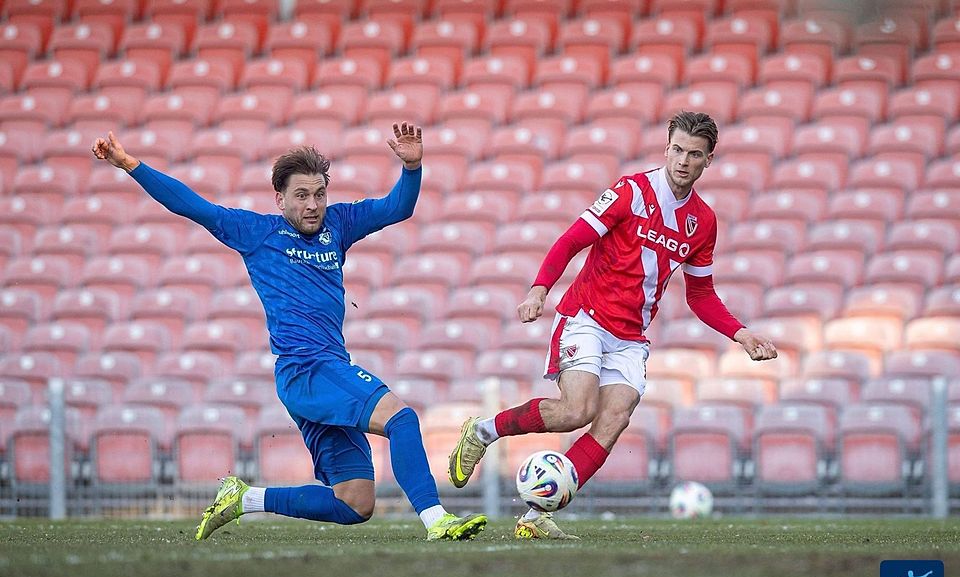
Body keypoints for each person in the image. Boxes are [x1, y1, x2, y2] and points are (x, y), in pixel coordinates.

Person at [92, 122, 487, 542]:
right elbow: (191, 204)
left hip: (325, 373)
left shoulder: (339, 224)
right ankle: (436, 519)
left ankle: (244, 498)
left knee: (355, 503)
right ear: (279, 199)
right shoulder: (257, 233)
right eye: (301, 195)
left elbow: (397, 208)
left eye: (319, 194)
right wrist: (129, 164)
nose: (313, 205)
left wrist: (412, 169)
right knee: (401, 419)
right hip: (307, 371)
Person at [448, 111, 778, 540]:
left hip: (630, 336)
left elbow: (700, 294)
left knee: (614, 418)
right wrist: (538, 291)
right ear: (666, 149)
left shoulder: (703, 222)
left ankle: (537, 516)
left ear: (708, 160)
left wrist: (742, 334)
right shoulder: (631, 191)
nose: (683, 161)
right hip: (586, 316)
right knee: (577, 411)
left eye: (694, 154)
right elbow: (572, 240)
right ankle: (481, 431)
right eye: (677, 150)